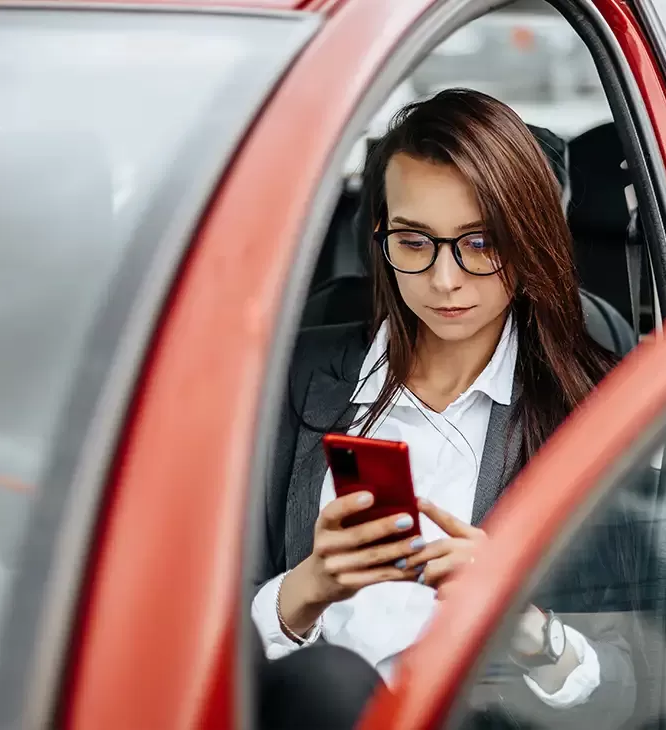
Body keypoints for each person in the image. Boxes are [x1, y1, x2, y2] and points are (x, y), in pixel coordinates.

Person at [251, 89, 640, 727]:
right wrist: (304, 593)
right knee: (329, 681)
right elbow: (199, 615)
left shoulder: (591, 409)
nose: (444, 279)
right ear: (379, 235)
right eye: (413, 241)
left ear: (527, 238)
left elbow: (625, 686)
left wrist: (521, 624)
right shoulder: (291, 378)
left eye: (480, 243)